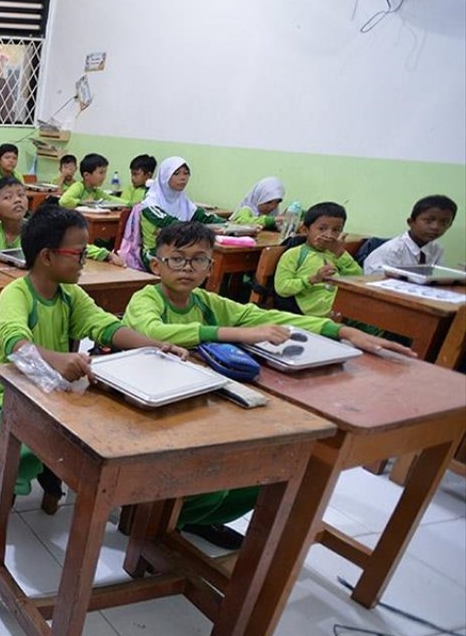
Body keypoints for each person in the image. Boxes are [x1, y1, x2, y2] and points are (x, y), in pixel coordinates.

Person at [122, 221, 414, 547]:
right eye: (177, 259)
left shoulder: (207, 302)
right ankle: (156, 520)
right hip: (148, 407)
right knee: (208, 482)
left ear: (210, 266)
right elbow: (153, 332)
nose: (187, 268)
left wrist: (341, 331)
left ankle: (191, 519)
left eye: (199, 259)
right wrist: (234, 333)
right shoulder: (147, 298)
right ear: (156, 265)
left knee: (265, 472)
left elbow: (267, 318)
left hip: (197, 401)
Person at [0, 208, 184, 501]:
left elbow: (104, 325)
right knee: (29, 446)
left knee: (112, 426)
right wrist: (58, 359)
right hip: (6, 391)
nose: (84, 260)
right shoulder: (16, 294)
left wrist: (154, 346)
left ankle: (67, 476)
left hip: (53, 388)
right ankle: (9, 481)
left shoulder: (69, 294)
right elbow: (15, 344)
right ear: (47, 257)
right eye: (79, 254)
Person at [131, 156, 225, 269]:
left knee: (207, 259)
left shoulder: (184, 201)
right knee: (197, 261)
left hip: (182, 248)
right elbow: (171, 225)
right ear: (165, 176)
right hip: (155, 252)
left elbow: (206, 217)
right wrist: (203, 229)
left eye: (186, 173)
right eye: (176, 174)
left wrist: (229, 225)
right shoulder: (150, 204)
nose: (183, 178)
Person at [275, 202, 363, 317]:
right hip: (318, 310)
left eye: (336, 230)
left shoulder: (335, 254)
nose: (329, 235)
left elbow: (358, 278)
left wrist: (340, 253)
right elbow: (282, 287)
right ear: (305, 230)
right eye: (322, 229)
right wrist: (313, 279)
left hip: (341, 304)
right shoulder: (294, 254)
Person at [363, 195, 458, 274]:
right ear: (411, 222)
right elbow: (375, 282)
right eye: (428, 221)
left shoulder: (436, 248)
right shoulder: (393, 251)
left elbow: (437, 276)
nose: (436, 227)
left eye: (444, 222)